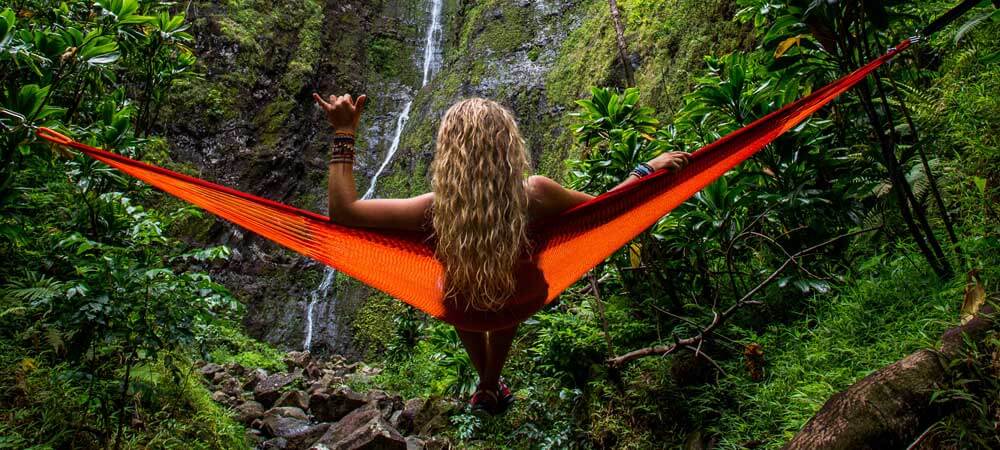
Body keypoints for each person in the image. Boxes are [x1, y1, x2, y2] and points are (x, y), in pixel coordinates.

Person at [313, 92, 690, 415]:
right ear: (508, 145)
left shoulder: (432, 209)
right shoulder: (536, 195)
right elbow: (605, 209)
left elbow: (344, 212)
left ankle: (487, 383)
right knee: (507, 275)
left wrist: (344, 132)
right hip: (520, 300)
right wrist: (645, 170)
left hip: (461, 308)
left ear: (448, 154)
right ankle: (491, 385)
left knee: (459, 281)